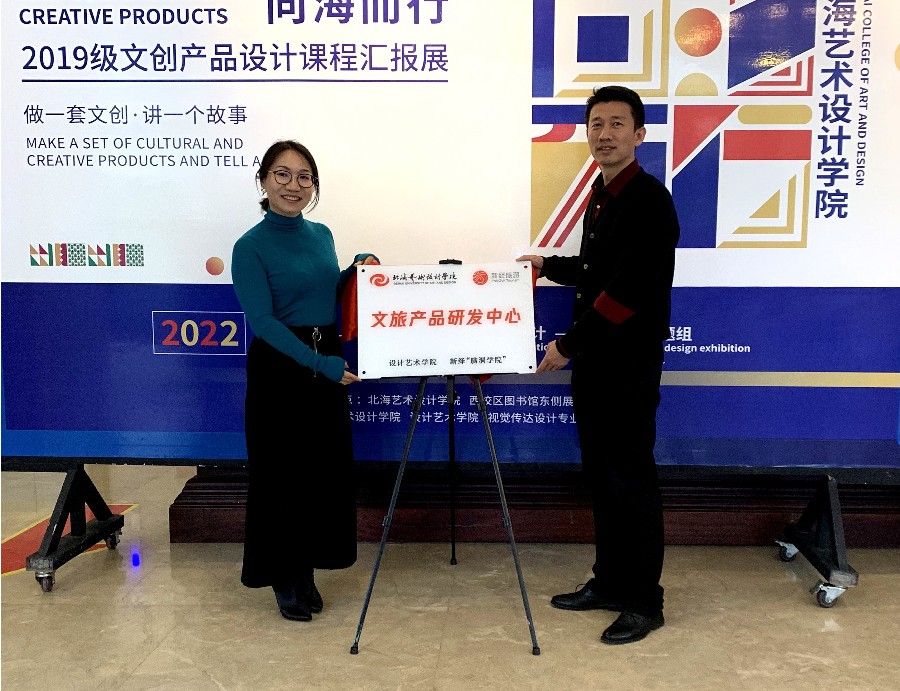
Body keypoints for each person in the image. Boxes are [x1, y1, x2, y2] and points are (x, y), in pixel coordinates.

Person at [517, 86, 679, 644]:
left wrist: (568, 344)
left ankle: (645, 601)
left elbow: (629, 289)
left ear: (639, 134)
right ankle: (610, 581)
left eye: (616, 123)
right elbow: (596, 268)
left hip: (627, 366)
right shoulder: (602, 192)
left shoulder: (649, 199)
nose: (604, 134)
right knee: (604, 478)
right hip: (596, 367)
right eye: (596, 124)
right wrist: (548, 265)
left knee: (630, 481)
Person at [231, 139, 378, 621]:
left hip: (323, 356)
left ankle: (306, 570)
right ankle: (284, 576)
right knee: (282, 476)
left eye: (304, 177)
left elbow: (322, 291)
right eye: (282, 174)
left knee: (319, 474)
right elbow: (264, 322)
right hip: (282, 367)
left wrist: (354, 271)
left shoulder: (321, 234)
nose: (293, 185)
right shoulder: (250, 246)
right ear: (263, 181)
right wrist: (321, 364)